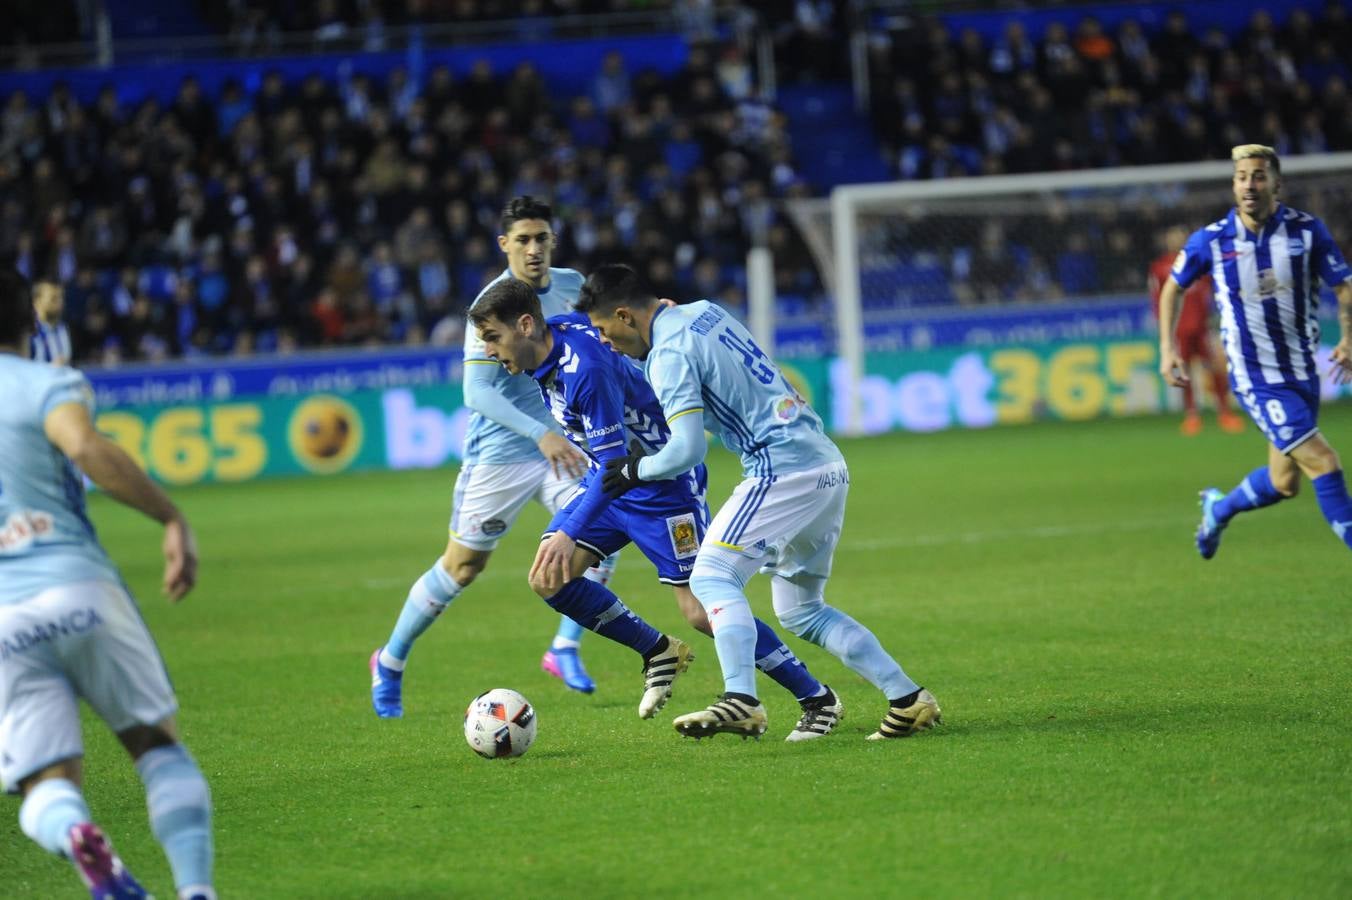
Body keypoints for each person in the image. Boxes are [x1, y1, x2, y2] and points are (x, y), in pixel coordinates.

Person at [471, 278, 847, 740]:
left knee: (701, 612)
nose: (489, 350)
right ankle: (657, 650)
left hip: (661, 487)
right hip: (610, 481)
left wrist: (569, 531)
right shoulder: (563, 331)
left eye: (493, 337)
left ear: (525, 325)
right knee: (550, 576)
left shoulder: (583, 370)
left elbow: (614, 460)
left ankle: (816, 698)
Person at [575, 264, 939, 741]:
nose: (604, 342)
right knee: (801, 610)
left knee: (710, 576)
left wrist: (632, 469)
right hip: (826, 464)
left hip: (780, 468)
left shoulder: (669, 352)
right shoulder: (704, 313)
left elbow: (687, 449)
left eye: (604, 331)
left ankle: (741, 699)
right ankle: (908, 699)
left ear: (624, 315)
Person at [0, 270, 215, 900]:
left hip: (5, 619)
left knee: (46, 783)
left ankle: (74, 835)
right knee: (156, 747)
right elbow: (86, 447)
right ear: (33, 323)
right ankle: (197, 890)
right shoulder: (45, 384)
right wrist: (170, 517)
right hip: (78, 586)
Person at [369, 196, 617, 717]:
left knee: (602, 532)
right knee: (462, 568)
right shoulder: (490, 306)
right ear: (504, 244)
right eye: (522, 240)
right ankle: (390, 661)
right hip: (502, 454)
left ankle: (564, 648)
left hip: (563, 449)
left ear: (553, 241)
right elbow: (477, 393)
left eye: (541, 238)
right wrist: (538, 433)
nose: (533, 249)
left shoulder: (573, 287)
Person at [1159, 144, 1352, 558]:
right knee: (1324, 461)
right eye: (1242, 177)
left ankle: (1219, 508)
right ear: (1234, 185)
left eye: (1259, 176)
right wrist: (1167, 348)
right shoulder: (1211, 241)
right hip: (1256, 378)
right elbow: (1172, 287)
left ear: (1276, 184)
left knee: (1285, 483)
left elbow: (1343, 286)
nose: (1250, 184)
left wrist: (1349, 338)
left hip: (1301, 373)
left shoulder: (1306, 231)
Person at [1147, 225, 1244, 435]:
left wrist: (1215, 317)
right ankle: (1191, 415)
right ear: (1166, 241)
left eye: (1180, 236)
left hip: (1202, 327)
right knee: (1185, 372)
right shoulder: (1160, 267)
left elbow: (1213, 289)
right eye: (1172, 237)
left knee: (1216, 368)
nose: (1176, 239)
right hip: (1179, 329)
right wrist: (1164, 329)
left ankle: (1225, 412)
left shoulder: (1199, 259)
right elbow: (1157, 298)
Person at [29, 271, 72, 366]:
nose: (60, 303)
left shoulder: (63, 328)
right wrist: (51, 369)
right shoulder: (28, 332)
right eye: (54, 299)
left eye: (61, 298)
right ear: (36, 301)